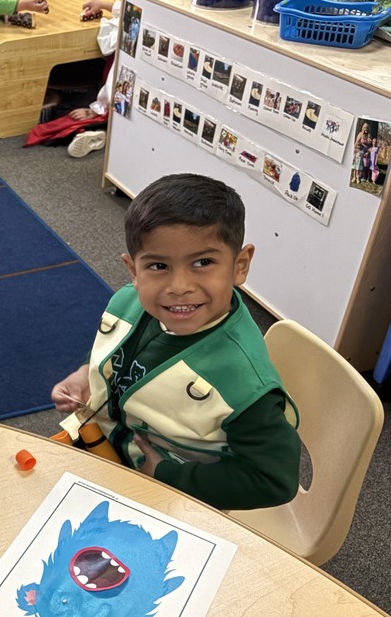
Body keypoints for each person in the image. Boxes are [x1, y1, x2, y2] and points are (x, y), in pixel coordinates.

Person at [51, 173, 301, 511]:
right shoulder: (130, 302)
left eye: (202, 263)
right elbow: (122, 352)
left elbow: (274, 480)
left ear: (239, 266)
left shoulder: (244, 386)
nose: (179, 286)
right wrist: (86, 373)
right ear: (134, 270)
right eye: (158, 266)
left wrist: (170, 477)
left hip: (171, 494)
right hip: (102, 449)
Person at [64, 0, 169, 157]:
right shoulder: (154, 15)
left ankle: (100, 132)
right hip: (139, 104)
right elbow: (122, 6)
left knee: (68, 114)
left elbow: (116, 82)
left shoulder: (133, 37)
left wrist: (96, 109)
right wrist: (103, 3)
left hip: (120, 102)